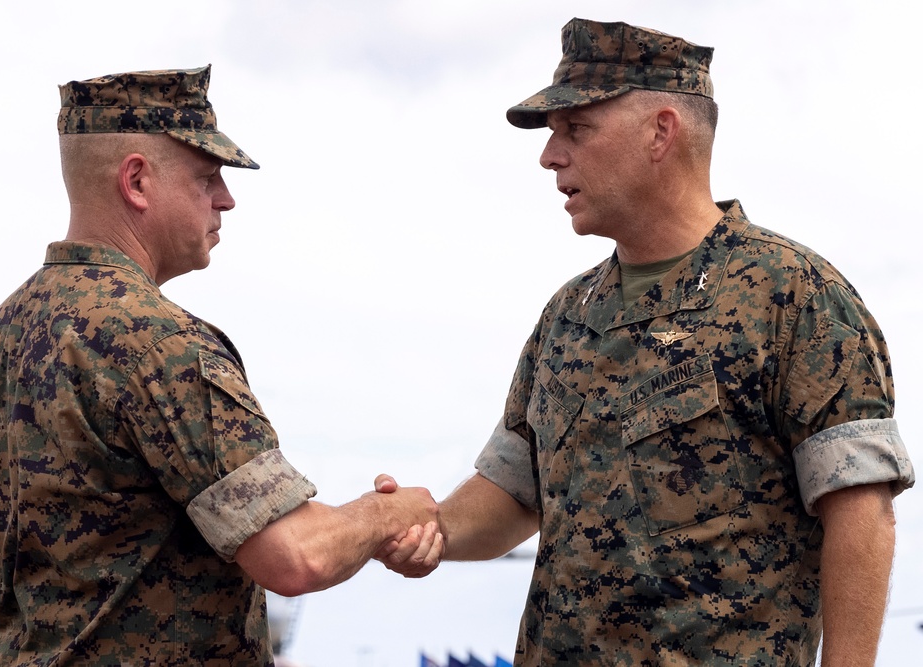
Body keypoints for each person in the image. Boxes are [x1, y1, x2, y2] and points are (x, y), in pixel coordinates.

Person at [377, 19, 915, 666]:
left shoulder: (793, 296)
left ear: (661, 131)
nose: (550, 156)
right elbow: (515, 494)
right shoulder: (568, 315)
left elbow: (860, 511)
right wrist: (421, 528)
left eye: (576, 130)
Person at [0, 65, 439, 666]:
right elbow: (296, 556)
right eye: (206, 178)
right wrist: (391, 513)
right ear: (138, 181)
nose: (226, 198)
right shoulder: (156, 343)